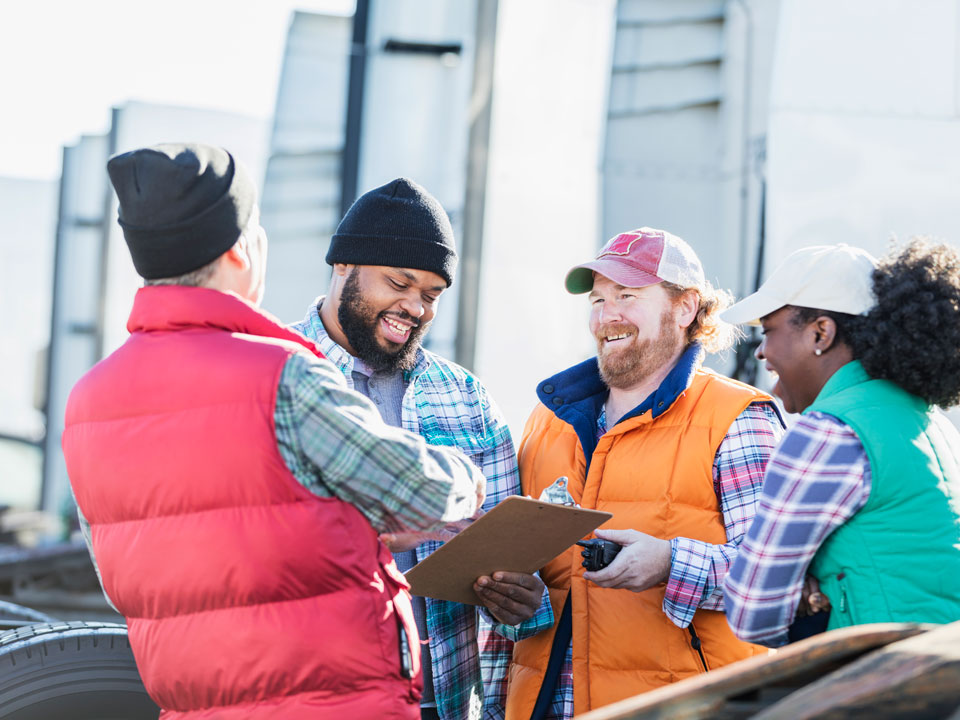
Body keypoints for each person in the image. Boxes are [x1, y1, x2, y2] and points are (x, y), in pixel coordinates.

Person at [62, 144, 489, 720]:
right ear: (242, 251)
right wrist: (467, 476)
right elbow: (425, 495)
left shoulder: (88, 399)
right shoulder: (284, 375)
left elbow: (124, 581)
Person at [290, 177, 552, 720]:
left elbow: (514, 571)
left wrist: (521, 598)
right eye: (399, 283)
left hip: (440, 704)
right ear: (343, 265)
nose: (416, 307)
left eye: (431, 295)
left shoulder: (467, 397)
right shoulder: (274, 371)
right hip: (310, 698)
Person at [503, 228, 785, 719]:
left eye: (627, 295)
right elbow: (525, 579)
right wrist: (515, 601)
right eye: (598, 298)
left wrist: (671, 563)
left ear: (685, 308)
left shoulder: (739, 418)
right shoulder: (545, 420)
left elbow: (774, 581)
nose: (606, 314)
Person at [722, 241, 960, 647]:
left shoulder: (829, 432)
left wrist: (812, 594)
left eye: (768, 330)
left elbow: (751, 613)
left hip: (885, 684)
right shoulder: (930, 418)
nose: (760, 351)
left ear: (821, 332)